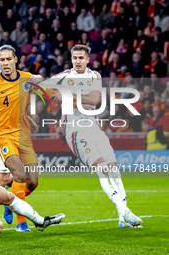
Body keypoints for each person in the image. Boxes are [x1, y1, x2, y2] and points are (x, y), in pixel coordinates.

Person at [50, 44, 143, 228]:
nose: (77, 61)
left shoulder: (95, 76)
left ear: (87, 59)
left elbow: (93, 100)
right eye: (74, 58)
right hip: (74, 130)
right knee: (101, 168)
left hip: (94, 127)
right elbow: (45, 88)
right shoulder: (63, 76)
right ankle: (125, 211)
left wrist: (68, 95)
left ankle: (121, 219)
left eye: (80, 58)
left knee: (114, 169)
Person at [0, 45, 56, 232]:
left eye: (9, 59)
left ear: (16, 60)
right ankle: (21, 222)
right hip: (2, 136)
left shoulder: (27, 79)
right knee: (19, 175)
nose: (6, 63)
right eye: (2, 60)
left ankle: (10, 203)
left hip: (23, 135)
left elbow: (47, 93)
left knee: (33, 181)